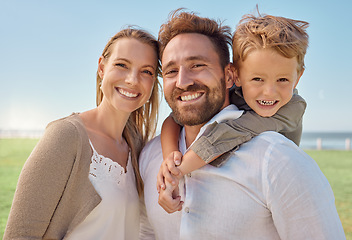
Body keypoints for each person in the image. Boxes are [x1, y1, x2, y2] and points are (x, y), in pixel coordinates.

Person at [139, 9, 346, 239]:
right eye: (171, 70)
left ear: (229, 76)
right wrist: (170, 159)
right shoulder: (149, 157)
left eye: (197, 65)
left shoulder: (279, 161)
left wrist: (178, 170)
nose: (183, 81)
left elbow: (226, 135)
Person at [3, 27, 160, 240]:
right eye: (122, 65)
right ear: (102, 68)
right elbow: (20, 234)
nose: (133, 79)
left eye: (146, 71)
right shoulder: (66, 136)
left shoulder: (139, 149)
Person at [157, 10, 308, 192]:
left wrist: (177, 172)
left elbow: (230, 133)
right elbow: (174, 119)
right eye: (257, 79)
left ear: (297, 78)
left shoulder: (291, 107)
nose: (269, 92)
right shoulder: (234, 92)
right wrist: (169, 156)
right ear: (235, 76)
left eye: (283, 80)